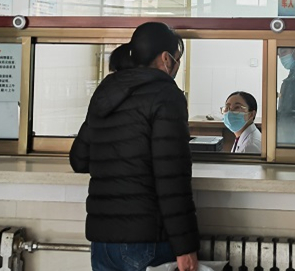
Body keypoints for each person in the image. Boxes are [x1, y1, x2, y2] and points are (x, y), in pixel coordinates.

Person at [69, 22, 199, 271]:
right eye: (177, 59)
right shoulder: (166, 95)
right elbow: (172, 179)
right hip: (146, 241)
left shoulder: (107, 89)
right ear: (166, 58)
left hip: (103, 243)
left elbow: (79, 159)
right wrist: (186, 248)